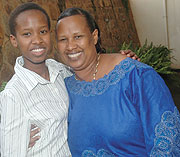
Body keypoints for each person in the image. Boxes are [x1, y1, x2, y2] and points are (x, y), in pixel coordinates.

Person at [55, 8, 180, 156]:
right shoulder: (62, 87)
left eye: (78, 36)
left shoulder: (136, 76)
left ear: (94, 37)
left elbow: (167, 143)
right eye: (63, 39)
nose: (70, 46)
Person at [0, 3, 71, 156]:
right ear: (14, 40)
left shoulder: (59, 70)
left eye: (43, 31)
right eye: (27, 34)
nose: (37, 40)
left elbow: (88, 74)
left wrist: (120, 60)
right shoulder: (14, 95)